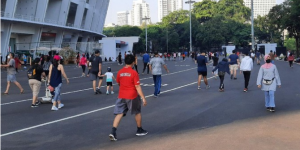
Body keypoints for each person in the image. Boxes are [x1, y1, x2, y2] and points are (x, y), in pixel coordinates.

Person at [109, 54, 148, 141]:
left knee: (119, 113)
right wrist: (143, 98)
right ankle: (139, 129)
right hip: (132, 96)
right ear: (133, 62)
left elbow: (119, 83)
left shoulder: (120, 72)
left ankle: (113, 132)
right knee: (137, 112)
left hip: (121, 95)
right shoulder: (134, 73)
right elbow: (137, 86)